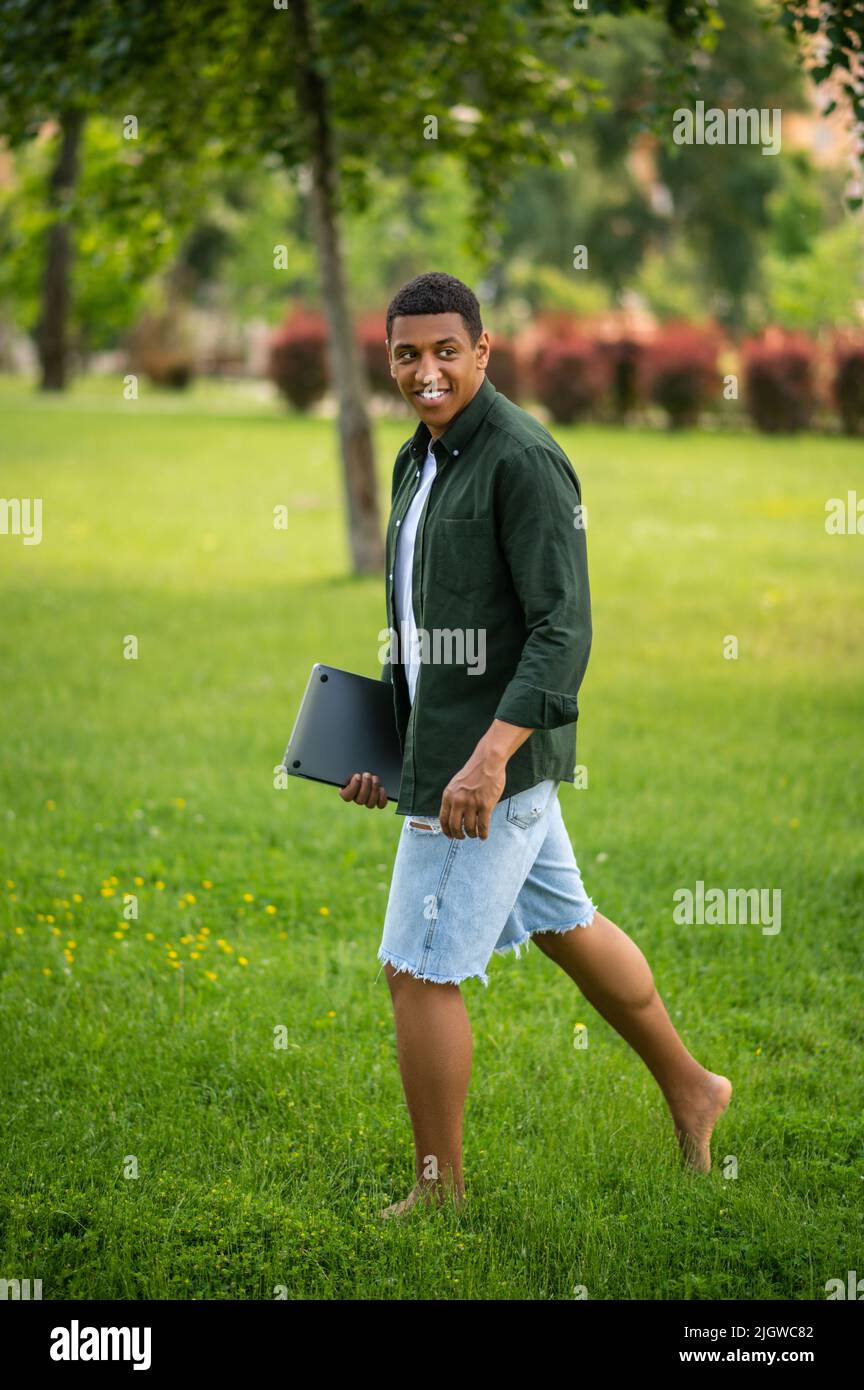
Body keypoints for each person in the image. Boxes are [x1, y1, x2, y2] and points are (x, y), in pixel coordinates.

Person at [339, 271, 731, 1219]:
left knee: (417, 969)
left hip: (491, 767)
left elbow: (563, 629)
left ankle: (439, 1195)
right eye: (406, 353)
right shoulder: (419, 460)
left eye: (444, 351)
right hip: (447, 751)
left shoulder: (524, 461)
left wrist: (486, 756)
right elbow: (420, 619)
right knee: (567, 924)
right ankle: (694, 1087)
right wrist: (392, 743)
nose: (425, 370)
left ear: (483, 350)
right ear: (389, 359)